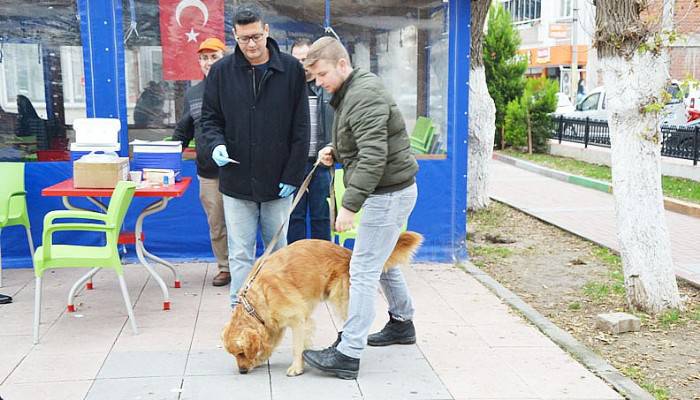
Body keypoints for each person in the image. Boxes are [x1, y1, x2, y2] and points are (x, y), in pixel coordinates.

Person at [301, 37, 419, 379]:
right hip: (390, 191)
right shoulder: (351, 91)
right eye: (315, 78)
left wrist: (349, 206)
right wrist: (336, 151)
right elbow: (361, 140)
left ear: (342, 64)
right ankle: (402, 322)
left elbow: (373, 155)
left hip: (387, 194)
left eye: (322, 74)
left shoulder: (363, 94)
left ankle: (348, 352)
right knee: (380, 263)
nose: (319, 83)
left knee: (363, 271)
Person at [200, 3, 309, 306]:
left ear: (267, 31)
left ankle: (277, 307)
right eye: (243, 39)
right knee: (241, 252)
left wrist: (293, 174)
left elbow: (301, 129)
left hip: (278, 181)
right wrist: (216, 144)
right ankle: (240, 309)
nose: (251, 45)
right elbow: (209, 119)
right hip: (236, 179)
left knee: (278, 251)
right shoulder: (221, 71)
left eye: (256, 37)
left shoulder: (290, 70)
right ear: (234, 35)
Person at [172, 37, 231, 287]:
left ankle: (249, 267)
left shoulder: (236, 88)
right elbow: (184, 130)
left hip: (239, 170)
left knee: (245, 224)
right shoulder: (194, 94)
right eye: (204, 58)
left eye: (213, 57)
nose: (208, 62)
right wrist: (166, 157)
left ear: (224, 58)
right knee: (216, 223)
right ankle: (225, 267)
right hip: (209, 173)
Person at [287, 38, 334, 243]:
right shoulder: (286, 89)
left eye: (305, 59)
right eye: (297, 60)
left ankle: (322, 263)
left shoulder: (326, 88)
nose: (302, 65)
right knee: (294, 216)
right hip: (294, 164)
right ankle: (297, 264)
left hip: (320, 164)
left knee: (321, 217)